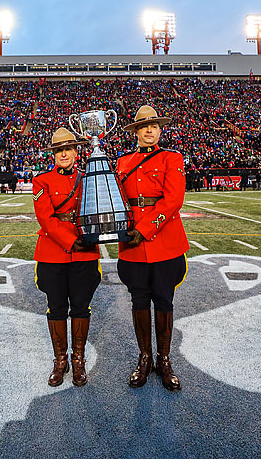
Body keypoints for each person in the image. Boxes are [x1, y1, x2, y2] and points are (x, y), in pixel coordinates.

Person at [116, 105, 190, 391]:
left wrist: (143, 230)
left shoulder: (172, 158)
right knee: (138, 302)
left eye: (154, 126)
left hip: (163, 242)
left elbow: (173, 201)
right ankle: (144, 358)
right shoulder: (122, 162)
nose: (149, 130)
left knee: (164, 301)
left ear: (160, 130)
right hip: (132, 245)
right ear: (135, 131)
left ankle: (164, 359)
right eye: (143, 126)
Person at [32, 127, 101, 387]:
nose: (64, 154)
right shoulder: (42, 181)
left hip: (84, 253)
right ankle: (60, 361)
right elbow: (46, 219)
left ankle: (78, 361)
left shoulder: (87, 178)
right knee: (57, 307)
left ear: (76, 152)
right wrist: (73, 241)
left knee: (81, 307)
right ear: (54, 155)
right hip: (54, 252)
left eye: (68, 149)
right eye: (59, 150)